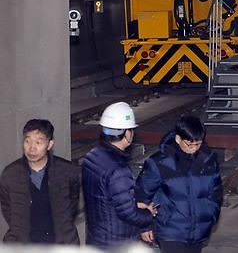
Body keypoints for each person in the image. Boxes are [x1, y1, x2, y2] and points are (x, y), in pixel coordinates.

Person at [135, 115, 222, 253]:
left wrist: (211, 216)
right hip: (170, 230)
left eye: (198, 144)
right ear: (178, 139)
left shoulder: (208, 161)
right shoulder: (159, 163)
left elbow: (215, 192)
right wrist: (144, 225)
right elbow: (141, 195)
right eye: (190, 144)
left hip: (199, 231)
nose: (194, 148)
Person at [82, 102, 156, 250]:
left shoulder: (91, 157)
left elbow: (104, 199)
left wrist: (133, 204)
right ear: (128, 133)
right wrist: (148, 214)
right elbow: (128, 214)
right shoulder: (119, 169)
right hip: (116, 243)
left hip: (96, 239)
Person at [0, 119, 80, 244]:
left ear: (50, 144)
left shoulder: (66, 171)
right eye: (27, 141)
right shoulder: (11, 174)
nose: (32, 148)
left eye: (38, 142)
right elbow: (7, 209)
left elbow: (72, 204)